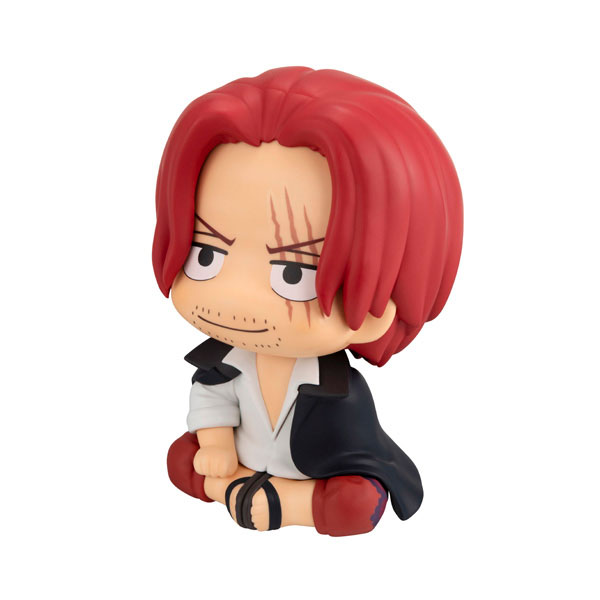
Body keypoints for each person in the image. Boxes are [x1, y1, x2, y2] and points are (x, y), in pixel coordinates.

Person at [152, 67, 463, 536]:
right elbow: (211, 398)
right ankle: (241, 491)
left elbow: (352, 447)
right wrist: (215, 444)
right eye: (206, 254)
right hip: (241, 460)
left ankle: (291, 503)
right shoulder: (225, 362)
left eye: (294, 273)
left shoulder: (341, 391)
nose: (238, 297)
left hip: (313, 478)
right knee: (183, 459)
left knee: (355, 504)